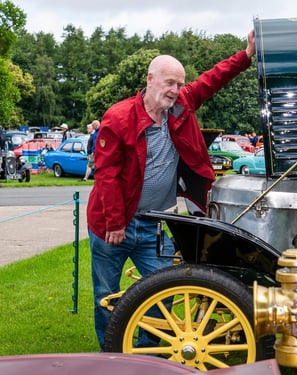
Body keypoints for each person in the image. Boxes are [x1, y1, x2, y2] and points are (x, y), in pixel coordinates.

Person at [86, 29, 257, 350]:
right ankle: (110, 357)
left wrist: (245, 56)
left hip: (152, 223)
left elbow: (212, 79)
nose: (176, 91)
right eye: (169, 83)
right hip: (112, 227)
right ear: (150, 80)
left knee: (161, 294)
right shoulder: (118, 118)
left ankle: (151, 354)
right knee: (106, 296)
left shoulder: (181, 105)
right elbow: (106, 174)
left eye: (179, 84)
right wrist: (114, 223)